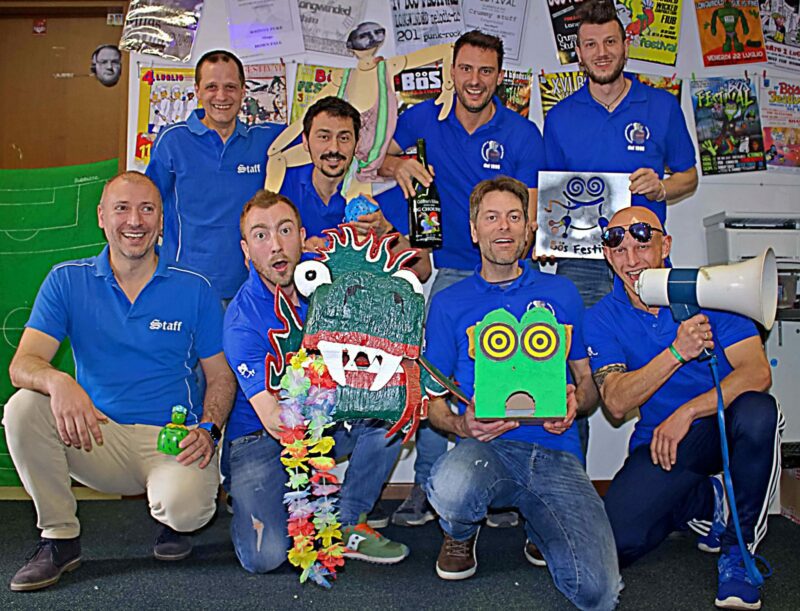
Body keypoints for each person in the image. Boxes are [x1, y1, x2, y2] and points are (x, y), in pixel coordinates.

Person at [3, 172, 234, 592]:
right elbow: (23, 364)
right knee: (22, 407)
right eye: (122, 208)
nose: (135, 221)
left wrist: (209, 429)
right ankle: (59, 537)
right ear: (101, 216)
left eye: (147, 209)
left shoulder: (195, 288)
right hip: (95, 435)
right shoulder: (66, 280)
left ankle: (171, 522)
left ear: (161, 220)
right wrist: (58, 381)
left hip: (170, 439)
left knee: (185, 510)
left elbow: (220, 376)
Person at [422, 176, 619, 610]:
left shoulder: (561, 292)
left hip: (555, 452)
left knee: (598, 593)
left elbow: (587, 383)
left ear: (530, 228)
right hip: (486, 449)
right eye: (491, 218)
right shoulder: (449, 302)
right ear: (474, 230)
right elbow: (431, 401)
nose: (504, 227)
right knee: (451, 487)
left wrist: (576, 401)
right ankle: (460, 532)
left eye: (514, 217)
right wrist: (461, 424)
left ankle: (541, 526)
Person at [379, 29, 547, 527]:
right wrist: (397, 162)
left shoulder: (522, 134)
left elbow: (530, 213)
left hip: (508, 272)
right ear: (452, 71)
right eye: (467, 69)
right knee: (437, 378)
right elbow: (370, 158)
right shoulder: (421, 118)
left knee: (511, 375)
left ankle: (503, 485)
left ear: (500, 76)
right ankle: (426, 485)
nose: (475, 80)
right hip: (449, 269)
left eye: (486, 71)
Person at [584, 206, 782, 610]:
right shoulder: (601, 317)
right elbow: (617, 402)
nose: (631, 259)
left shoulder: (711, 291)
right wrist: (677, 351)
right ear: (608, 256)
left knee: (759, 412)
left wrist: (689, 411)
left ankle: (739, 553)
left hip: (724, 424)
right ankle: (709, 501)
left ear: (666, 246)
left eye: (642, 245)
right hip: (663, 442)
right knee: (617, 543)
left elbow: (757, 373)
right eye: (619, 249)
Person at [222, 190, 410, 573]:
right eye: (260, 235)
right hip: (259, 439)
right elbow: (276, 420)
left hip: (328, 421)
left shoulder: (327, 279)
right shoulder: (242, 321)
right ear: (246, 251)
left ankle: (349, 521)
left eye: (285, 230)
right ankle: (250, 501)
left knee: (396, 406)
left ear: (302, 237)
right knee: (265, 558)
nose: (276, 245)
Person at [543, 0, 698, 454]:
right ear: (578, 53)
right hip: (581, 262)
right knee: (573, 369)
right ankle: (571, 470)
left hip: (645, 258)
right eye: (591, 44)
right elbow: (550, 193)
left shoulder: (661, 106)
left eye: (610, 41)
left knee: (670, 354)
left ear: (625, 45)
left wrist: (663, 187)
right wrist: (546, 235)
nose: (602, 52)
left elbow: (689, 176)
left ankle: (674, 457)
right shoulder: (560, 116)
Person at [146, 49, 283, 301]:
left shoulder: (267, 140)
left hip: (251, 289)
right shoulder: (172, 141)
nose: (221, 96)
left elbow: (318, 135)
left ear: (243, 91)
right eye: (211, 87)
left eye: (230, 87)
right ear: (197, 91)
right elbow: (146, 204)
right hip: (185, 286)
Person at [279, 95, 430, 280]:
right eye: (324, 137)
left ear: (357, 143)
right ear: (305, 140)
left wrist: (385, 231)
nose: (334, 148)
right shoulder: (283, 185)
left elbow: (423, 270)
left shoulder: (383, 190)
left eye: (344, 138)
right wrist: (300, 252)